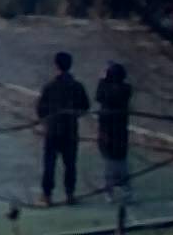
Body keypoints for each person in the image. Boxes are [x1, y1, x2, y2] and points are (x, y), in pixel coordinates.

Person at [36, 51, 90, 206]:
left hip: (53, 131)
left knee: (49, 164)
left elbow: (40, 109)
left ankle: (47, 196)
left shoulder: (50, 87)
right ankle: (70, 194)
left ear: (56, 65)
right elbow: (85, 106)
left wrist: (46, 122)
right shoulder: (77, 87)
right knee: (70, 164)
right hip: (70, 130)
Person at [95, 61, 133, 203]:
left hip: (108, 130)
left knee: (109, 162)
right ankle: (125, 188)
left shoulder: (107, 90)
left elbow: (99, 96)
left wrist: (102, 79)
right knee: (121, 161)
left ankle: (110, 190)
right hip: (121, 131)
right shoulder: (127, 89)